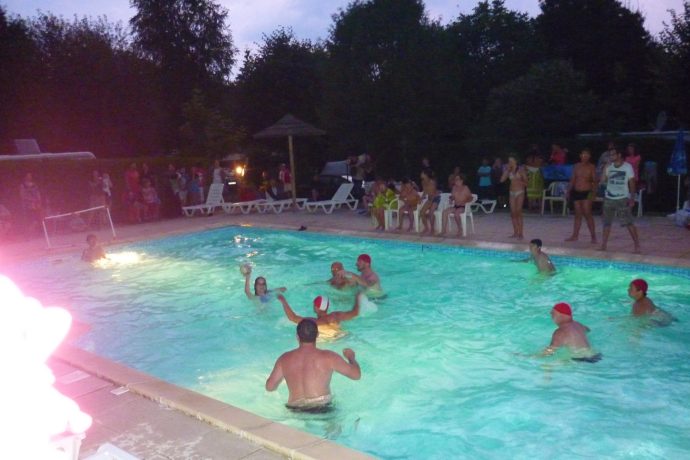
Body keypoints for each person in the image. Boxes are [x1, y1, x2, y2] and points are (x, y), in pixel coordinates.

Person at [265, 318, 361, 412]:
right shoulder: (329, 357)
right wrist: (351, 357)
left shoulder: (284, 359)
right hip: (322, 408)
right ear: (317, 335)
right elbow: (356, 375)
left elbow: (270, 387)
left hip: (295, 410)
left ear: (297, 336)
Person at [599, 148, 641, 253]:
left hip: (622, 198)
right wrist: (605, 168)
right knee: (606, 223)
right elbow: (602, 181)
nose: (611, 157)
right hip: (609, 198)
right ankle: (603, 245)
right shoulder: (609, 167)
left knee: (628, 222)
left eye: (613, 155)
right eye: (610, 155)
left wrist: (631, 198)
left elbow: (632, 182)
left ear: (619, 155)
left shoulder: (627, 167)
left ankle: (637, 245)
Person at [565, 149, 597, 243]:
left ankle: (593, 236)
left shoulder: (592, 167)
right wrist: (568, 191)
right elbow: (573, 179)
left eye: (587, 155)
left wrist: (594, 193)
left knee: (587, 214)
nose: (585, 156)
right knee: (577, 215)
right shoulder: (576, 166)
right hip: (576, 192)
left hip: (586, 192)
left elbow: (595, 181)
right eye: (583, 155)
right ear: (580, 156)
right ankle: (575, 236)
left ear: (589, 156)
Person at [500, 155, 528, 239]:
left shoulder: (521, 170)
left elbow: (527, 183)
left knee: (518, 212)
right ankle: (515, 232)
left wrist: (520, 181)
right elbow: (501, 180)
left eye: (511, 161)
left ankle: (521, 233)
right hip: (512, 192)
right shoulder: (509, 170)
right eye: (509, 161)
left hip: (520, 192)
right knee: (513, 213)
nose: (510, 163)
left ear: (516, 161)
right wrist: (507, 170)